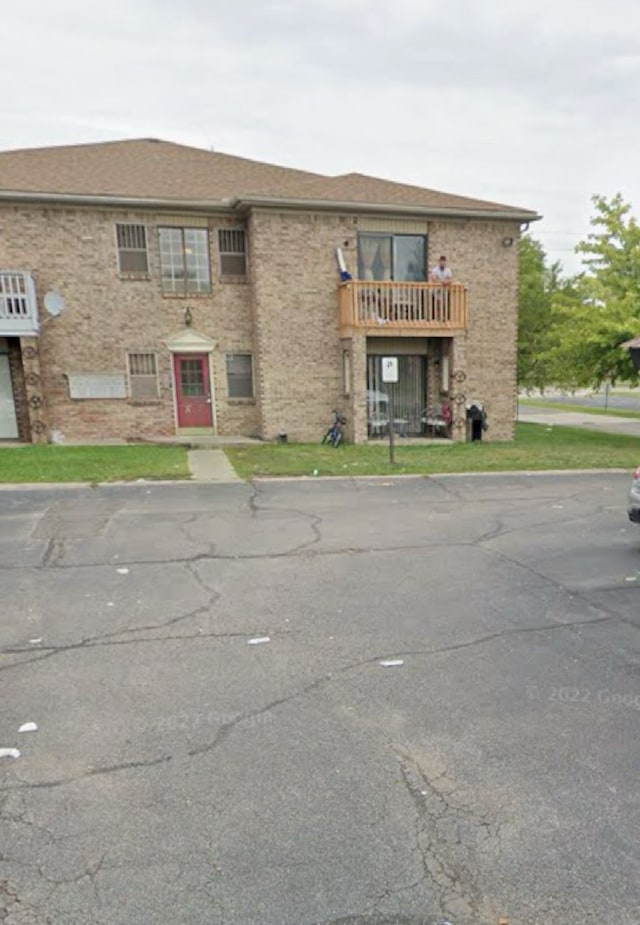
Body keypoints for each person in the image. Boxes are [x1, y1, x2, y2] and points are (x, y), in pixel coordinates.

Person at [429, 256, 452, 320]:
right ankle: (439, 317)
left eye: (444, 262)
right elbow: (434, 279)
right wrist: (442, 282)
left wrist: (445, 281)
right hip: (436, 290)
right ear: (439, 262)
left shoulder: (448, 270)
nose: (442, 263)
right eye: (441, 262)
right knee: (438, 302)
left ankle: (443, 317)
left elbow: (450, 280)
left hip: (444, 290)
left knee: (444, 303)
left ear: (445, 262)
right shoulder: (435, 270)